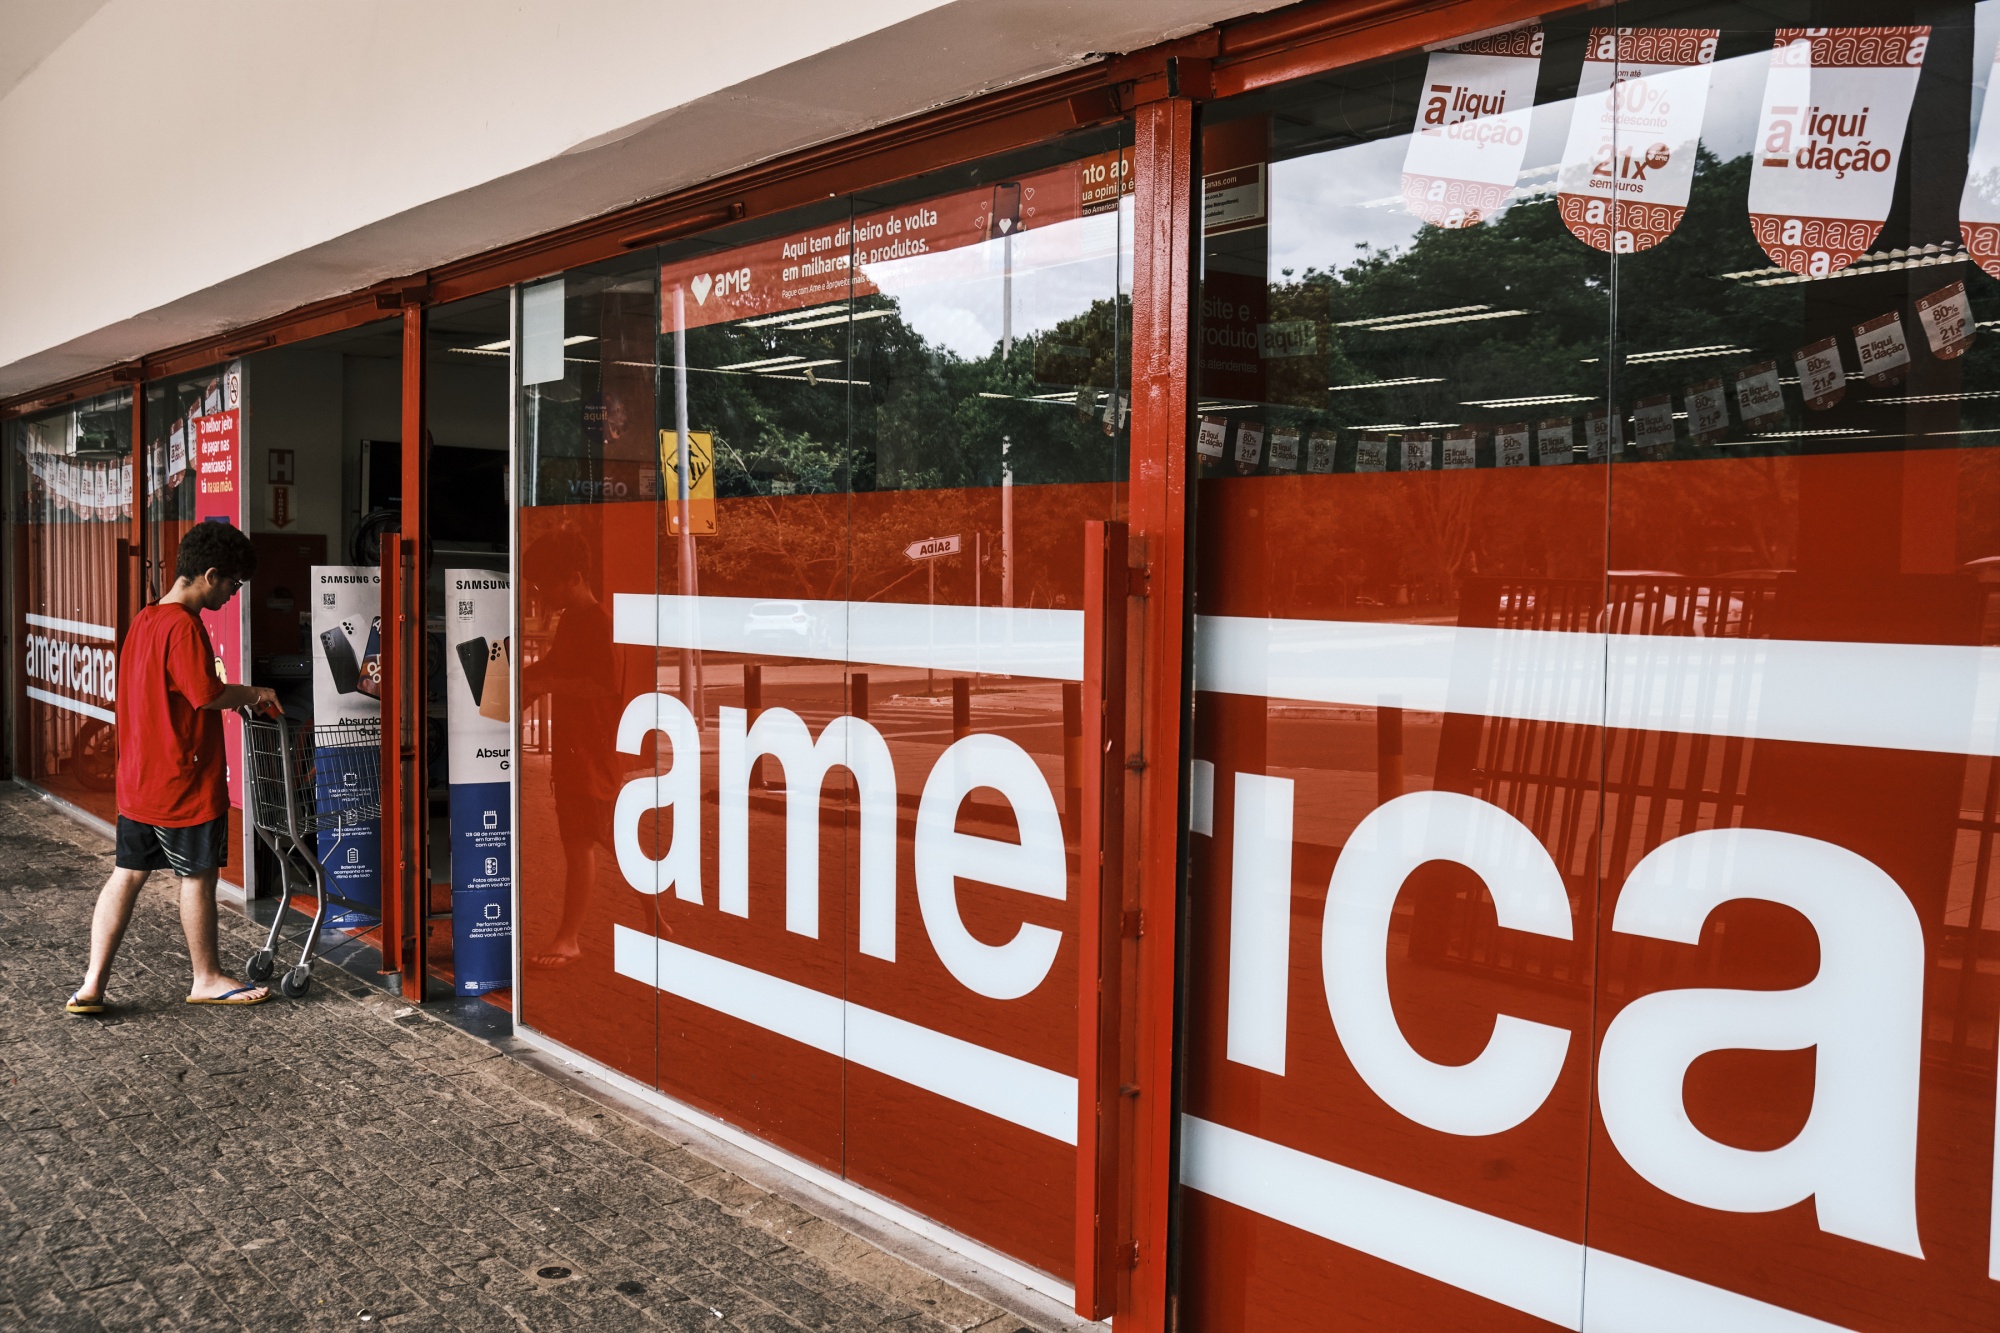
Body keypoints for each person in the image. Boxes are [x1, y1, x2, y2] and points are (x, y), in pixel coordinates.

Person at [67, 521, 282, 1013]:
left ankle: (91, 985)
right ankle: (206, 977)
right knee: (199, 876)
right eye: (233, 584)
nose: (232, 594)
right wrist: (254, 693)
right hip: (183, 781)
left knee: (127, 874)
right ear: (210, 575)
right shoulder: (184, 626)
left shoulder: (145, 619)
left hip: (140, 779)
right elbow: (204, 694)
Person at [520, 528, 622, 966]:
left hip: (589, 751)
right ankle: (656, 916)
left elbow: (603, 685)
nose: (541, 594)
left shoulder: (599, 622)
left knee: (579, 841)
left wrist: (542, 683)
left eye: (546, 585)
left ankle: (569, 938)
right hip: (576, 749)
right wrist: (527, 682)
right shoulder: (573, 621)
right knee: (604, 837)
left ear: (575, 578)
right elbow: (556, 667)